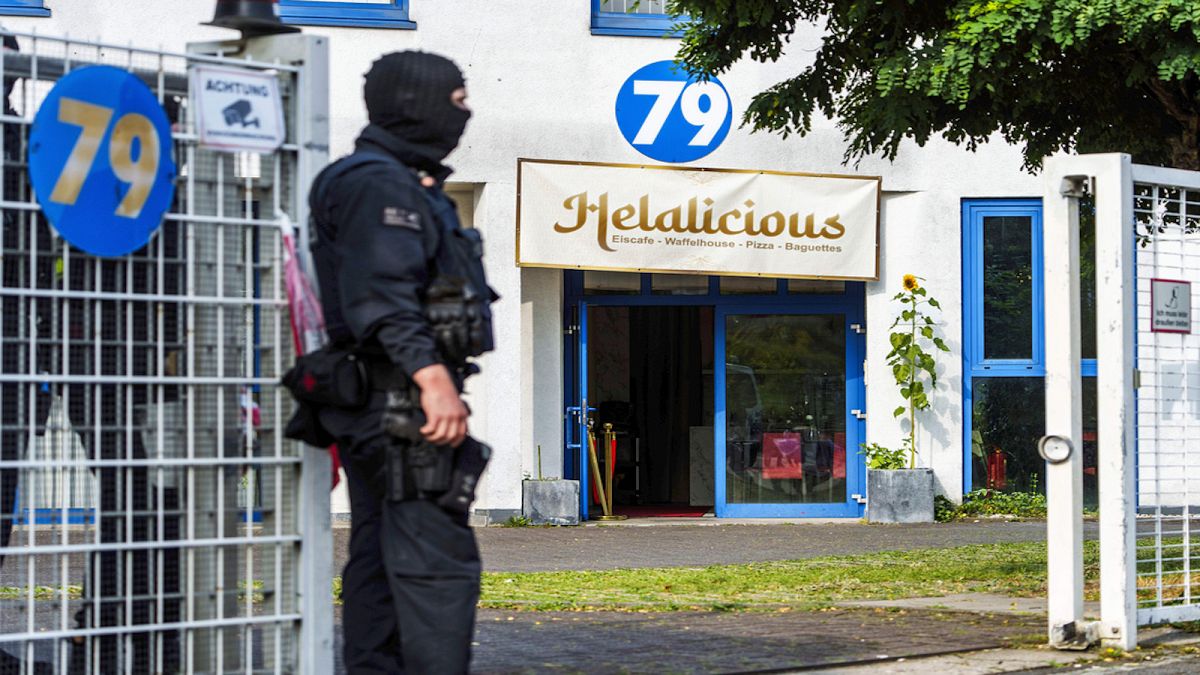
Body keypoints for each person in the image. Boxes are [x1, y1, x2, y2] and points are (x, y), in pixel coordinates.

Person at [303, 51, 493, 674]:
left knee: (383, 559)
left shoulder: (406, 183)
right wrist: (432, 377)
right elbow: (380, 293)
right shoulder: (375, 183)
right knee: (437, 567)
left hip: (390, 402)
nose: (464, 111)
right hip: (396, 402)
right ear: (416, 101)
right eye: (457, 98)